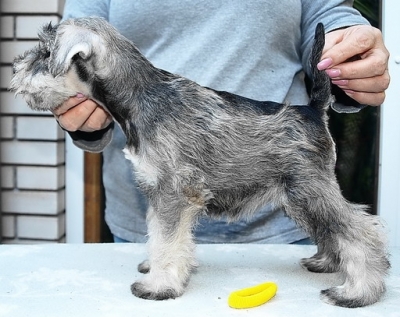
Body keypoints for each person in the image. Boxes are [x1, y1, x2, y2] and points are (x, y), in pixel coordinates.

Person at [56, 1, 390, 243]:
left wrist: (345, 49)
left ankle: (360, 250)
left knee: (327, 217)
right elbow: (75, 35)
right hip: (142, 222)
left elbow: (326, 11)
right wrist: (82, 109)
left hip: (279, 206)